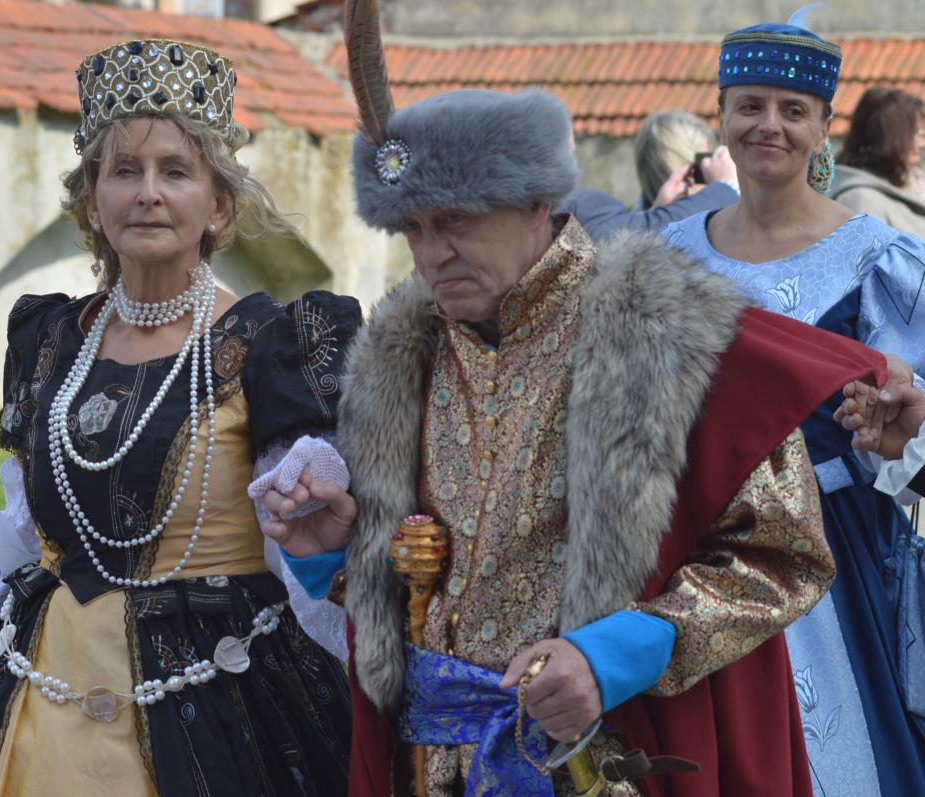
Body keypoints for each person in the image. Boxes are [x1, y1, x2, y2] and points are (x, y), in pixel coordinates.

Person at [255, 2, 889, 794]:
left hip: (613, 761)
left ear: (537, 205)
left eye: (456, 220)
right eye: (413, 227)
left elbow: (784, 555)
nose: (432, 253)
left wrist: (610, 655)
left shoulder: (667, 333)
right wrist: (332, 551)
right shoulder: (400, 358)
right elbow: (415, 600)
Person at [0, 38, 357, 797]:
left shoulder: (269, 344)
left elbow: (304, 539)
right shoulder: (49, 341)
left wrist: (321, 476)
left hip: (220, 695)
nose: (148, 194)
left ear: (219, 203)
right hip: (39, 677)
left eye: (176, 172)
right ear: (92, 199)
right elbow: (22, 534)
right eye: (124, 171)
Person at [663, 15, 925, 796]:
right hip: (696, 554)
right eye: (749, 105)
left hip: (831, 552)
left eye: (792, 110)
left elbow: (915, 421)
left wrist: (903, 425)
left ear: (822, 129)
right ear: (721, 115)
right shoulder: (669, 257)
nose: (768, 125)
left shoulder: (878, 258)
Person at [565, 110, 739, 240]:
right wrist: (726, 187)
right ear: (690, 174)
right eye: (706, 161)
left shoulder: (632, 221)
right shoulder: (581, 209)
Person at [831, 87, 925, 238]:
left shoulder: (913, 184)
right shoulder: (860, 201)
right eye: (918, 134)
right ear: (892, 139)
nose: (922, 144)